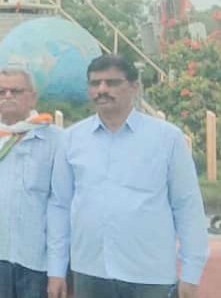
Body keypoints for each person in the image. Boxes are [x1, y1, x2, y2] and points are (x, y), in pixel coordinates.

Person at [48, 55, 209, 298]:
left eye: (112, 82)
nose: (102, 90)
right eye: (95, 83)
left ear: (134, 86)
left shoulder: (167, 139)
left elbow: (187, 207)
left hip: (149, 275)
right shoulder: (71, 139)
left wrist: (191, 272)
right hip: (90, 271)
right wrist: (56, 269)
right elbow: (60, 206)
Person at [0, 68, 62, 298]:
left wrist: (58, 268)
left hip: (37, 259)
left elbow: (60, 204)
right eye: (1, 92)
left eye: (16, 91)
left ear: (33, 97)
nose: (7, 96)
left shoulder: (55, 139)